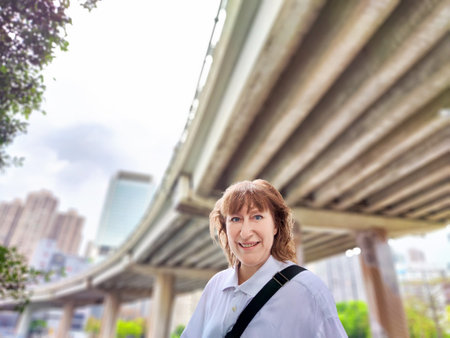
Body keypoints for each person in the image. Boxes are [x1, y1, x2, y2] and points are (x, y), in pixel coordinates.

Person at [181, 179, 347, 337]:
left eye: (257, 217)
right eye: (236, 219)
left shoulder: (308, 290)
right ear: (225, 228)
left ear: (275, 225)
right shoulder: (216, 286)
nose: (245, 233)